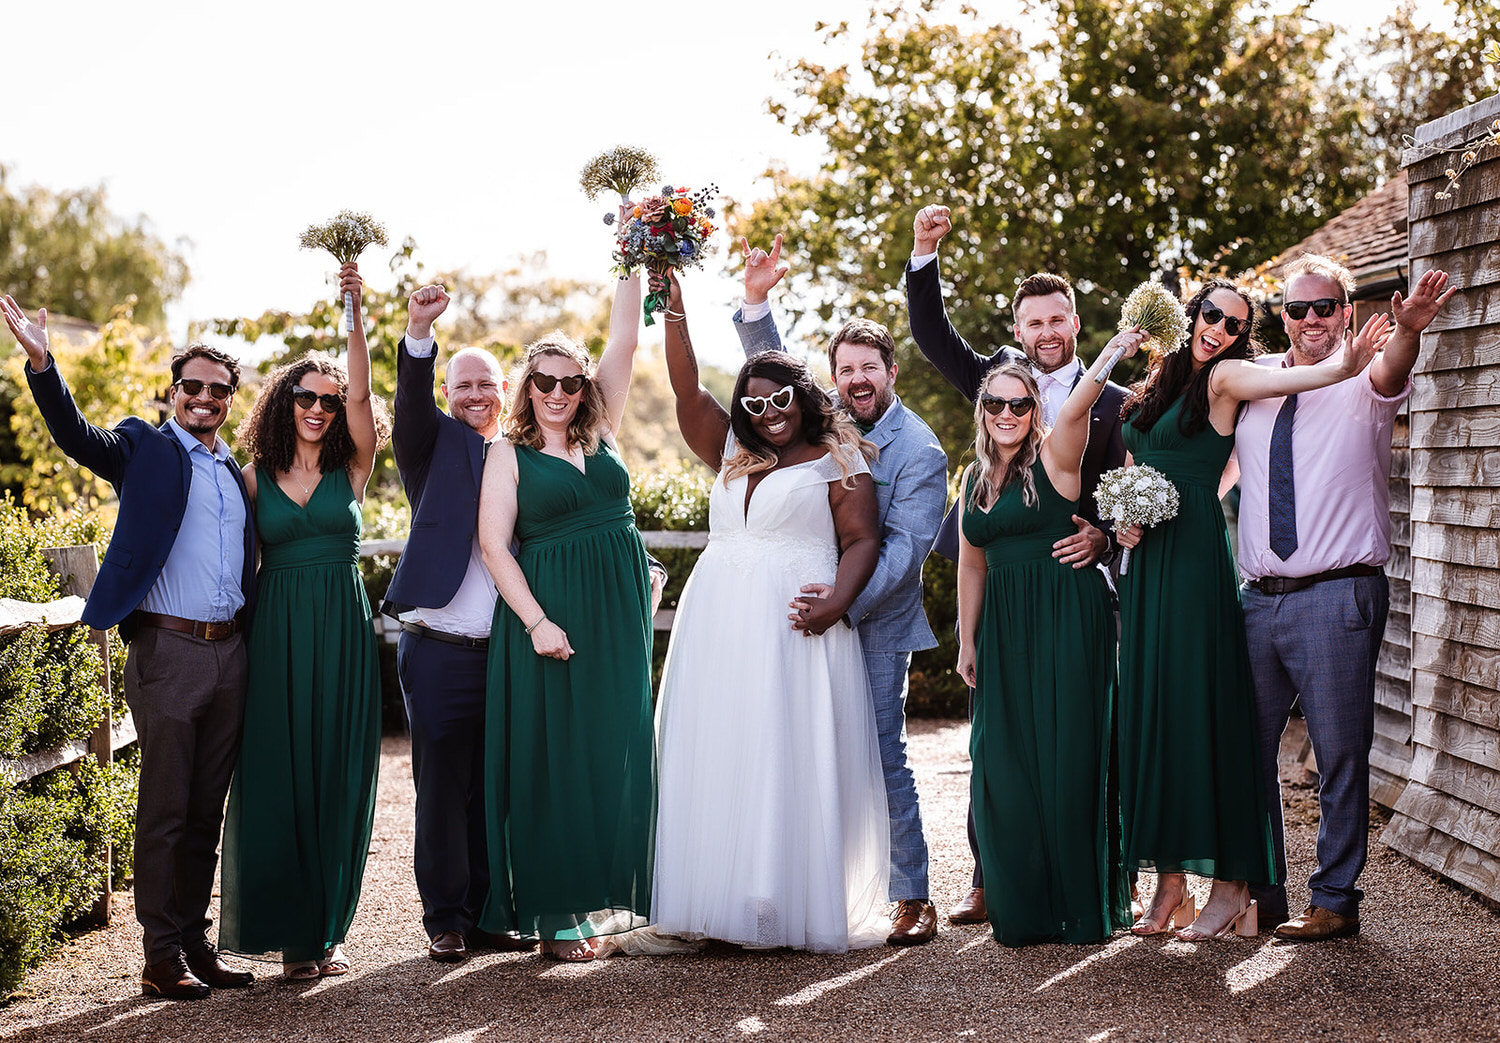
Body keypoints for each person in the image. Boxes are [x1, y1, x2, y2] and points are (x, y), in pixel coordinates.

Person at [1115, 278, 1388, 941]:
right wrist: (1130, 510)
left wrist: (1349, 363)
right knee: (1201, 731)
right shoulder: (1174, 382)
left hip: (1272, 579)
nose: (1219, 328)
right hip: (1202, 580)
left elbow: (1336, 371)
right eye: (1210, 314)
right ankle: (1219, 889)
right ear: (1192, 315)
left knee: (1296, 744)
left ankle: (1296, 893)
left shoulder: (1242, 373)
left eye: (1235, 323)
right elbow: (1202, 461)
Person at [3, 296, 256, 1000]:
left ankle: (194, 938)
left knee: (208, 808)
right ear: (173, 392)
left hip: (232, 653)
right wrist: (44, 364)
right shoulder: (145, 448)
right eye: (192, 386)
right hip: (168, 652)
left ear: (231, 399)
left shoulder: (238, 473)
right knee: (167, 807)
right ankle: (158, 954)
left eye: (218, 389)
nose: (204, 397)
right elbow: (77, 436)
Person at [903, 203, 1130, 925]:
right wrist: (922, 253)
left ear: (1073, 320)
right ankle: (989, 876)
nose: (1046, 332)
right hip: (1004, 594)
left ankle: (1098, 874)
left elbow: (1137, 486)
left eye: (1057, 319)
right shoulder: (995, 387)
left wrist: (1101, 532)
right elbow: (932, 334)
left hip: (1076, 588)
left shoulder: (1120, 404)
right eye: (1033, 322)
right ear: (1019, 331)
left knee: (1083, 739)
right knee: (1000, 742)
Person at [654, 271, 890, 953]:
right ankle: (719, 903)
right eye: (754, 401)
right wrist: (672, 308)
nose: (769, 410)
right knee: (724, 747)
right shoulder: (730, 448)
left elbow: (862, 539)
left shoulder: (836, 455)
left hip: (797, 628)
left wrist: (837, 601)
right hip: (719, 626)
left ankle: (782, 902)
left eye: (782, 397)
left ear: (805, 396)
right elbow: (684, 387)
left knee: (783, 751)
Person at [731, 235, 948, 945]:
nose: (856, 379)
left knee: (882, 754)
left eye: (868, 368)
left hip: (874, 625)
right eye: (845, 369)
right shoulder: (828, 421)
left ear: (891, 371)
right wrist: (756, 301)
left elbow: (905, 550)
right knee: (796, 748)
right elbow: (772, 373)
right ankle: (794, 889)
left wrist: (841, 607)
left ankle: (913, 894)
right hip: (807, 621)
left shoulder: (920, 450)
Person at [1238, 256, 1454, 941]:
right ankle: (1262, 894)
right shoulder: (1255, 380)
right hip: (1256, 599)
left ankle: (1334, 897)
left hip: (1337, 596)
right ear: (1282, 317)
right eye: (1298, 310)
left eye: (1323, 307)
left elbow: (1395, 367)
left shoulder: (1368, 370)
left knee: (1339, 753)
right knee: (1243, 753)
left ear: (1346, 311)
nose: (1311, 321)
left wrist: (1411, 330)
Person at [218, 262, 391, 978]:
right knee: (279, 774)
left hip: (344, 633)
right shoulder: (253, 478)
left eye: (327, 396)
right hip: (279, 635)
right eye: (306, 395)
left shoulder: (355, 467)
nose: (319, 406)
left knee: (338, 772)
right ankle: (290, 933)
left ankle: (326, 926)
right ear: (283, 401)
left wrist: (353, 308)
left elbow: (363, 389)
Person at [475, 273, 654, 962]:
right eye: (544, 381)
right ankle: (557, 913)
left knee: (612, 751)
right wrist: (536, 621)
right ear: (527, 387)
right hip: (551, 622)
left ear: (585, 389)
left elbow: (625, 337)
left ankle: (602, 892)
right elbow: (493, 546)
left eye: (570, 382)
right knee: (555, 761)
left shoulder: (603, 428)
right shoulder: (506, 454)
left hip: (618, 620)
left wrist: (633, 252)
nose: (557, 393)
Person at [955, 346, 1142, 945]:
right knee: (1002, 761)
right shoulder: (974, 477)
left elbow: (1082, 404)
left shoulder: (1057, 455)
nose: (1006, 413)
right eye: (995, 403)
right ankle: (1024, 905)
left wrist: (1113, 352)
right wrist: (966, 640)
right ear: (981, 408)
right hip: (1003, 628)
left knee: (1071, 755)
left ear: (1035, 411)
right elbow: (971, 565)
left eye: (1019, 403)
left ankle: (1080, 906)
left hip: (1067, 613)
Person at [380, 282, 528, 962]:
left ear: (504, 390)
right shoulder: (429, 443)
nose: (474, 394)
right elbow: (408, 402)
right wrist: (417, 332)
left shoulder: (524, 455)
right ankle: (446, 918)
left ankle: (491, 911)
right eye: (461, 384)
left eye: (485, 384)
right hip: (436, 647)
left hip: (505, 649)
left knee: (496, 782)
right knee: (441, 784)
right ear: (448, 394)